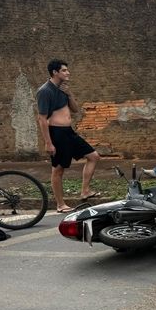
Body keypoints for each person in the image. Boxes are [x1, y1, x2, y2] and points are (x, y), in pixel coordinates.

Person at [36, 59, 101, 213]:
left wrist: (69, 94)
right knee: (58, 170)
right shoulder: (45, 91)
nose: (68, 72)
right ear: (55, 72)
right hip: (56, 134)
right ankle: (60, 205)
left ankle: (85, 191)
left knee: (93, 156)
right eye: (64, 70)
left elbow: (75, 110)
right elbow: (42, 119)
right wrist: (48, 142)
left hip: (68, 132)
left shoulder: (62, 89)